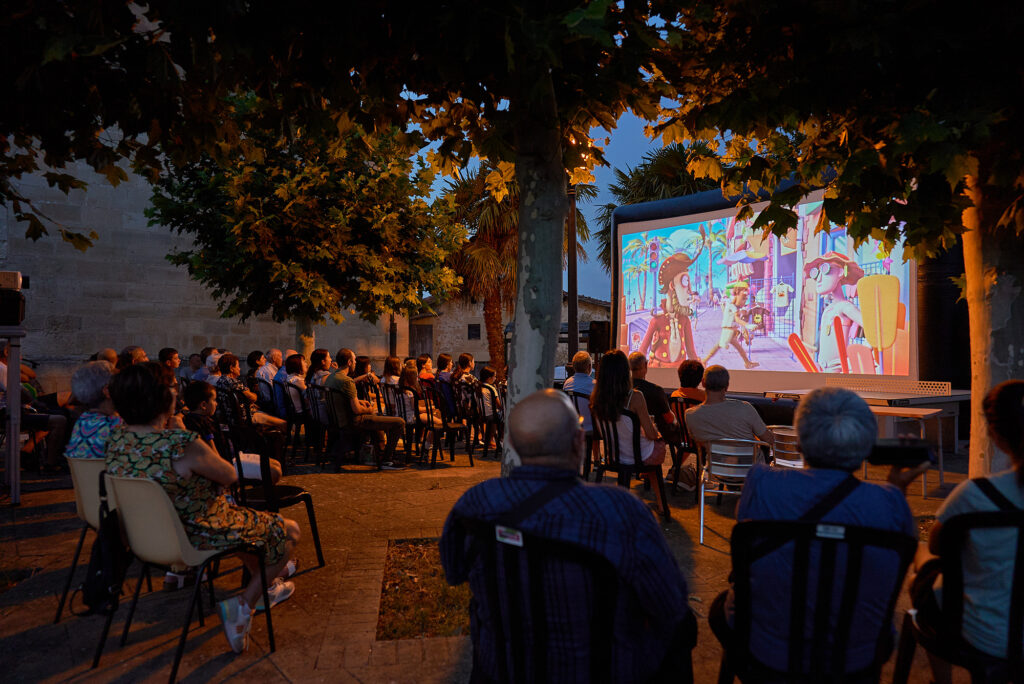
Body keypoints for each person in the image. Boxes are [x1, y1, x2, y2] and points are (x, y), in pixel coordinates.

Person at [440, 389, 695, 682]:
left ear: (510, 442)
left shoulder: (475, 504)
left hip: (503, 670)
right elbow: (669, 604)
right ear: (578, 441)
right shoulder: (621, 513)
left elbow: (454, 571)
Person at [708, 387, 926, 675]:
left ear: (799, 444)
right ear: (865, 449)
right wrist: (897, 488)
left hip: (766, 655)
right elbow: (904, 540)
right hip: (854, 661)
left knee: (718, 610)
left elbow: (746, 519)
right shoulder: (890, 503)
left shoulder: (761, 483)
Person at [105, 364, 300, 653]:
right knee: (289, 531)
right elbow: (229, 476)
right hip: (196, 533)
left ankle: (268, 581)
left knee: (245, 526)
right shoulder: (181, 443)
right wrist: (182, 432)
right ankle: (246, 604)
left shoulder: (116, 441)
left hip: (145, 538)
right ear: (162, 399)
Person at [912, 380, 1024, 683]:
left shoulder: (974, 496)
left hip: (986, 636)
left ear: (997, 437)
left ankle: (942, 680)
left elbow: (937, 545)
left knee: (923, 562)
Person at [182, 381, 282, 484]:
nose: (216, 404)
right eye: (214, 400)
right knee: (274, 472)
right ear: (203, 405)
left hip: (234, 456)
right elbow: (213, 452)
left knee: (276, 465)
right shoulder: (201, 424)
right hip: (227, 464)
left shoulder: (203, 418)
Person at [326, 348, 405, 468]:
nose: (356, 363)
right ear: (349, 362)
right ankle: (387, 460)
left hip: (338, 420)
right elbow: (357, 410)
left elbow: (345, 398)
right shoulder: (347, 381)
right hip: (353, 421)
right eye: (354, 360)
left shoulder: (331, 378)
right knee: (399, 422)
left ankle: (380, 451)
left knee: (379, 418)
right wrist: (369, 409)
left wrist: (360, 401)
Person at [0, 343, 68, 470]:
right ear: (6, 352)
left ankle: (32, 453)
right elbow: (19, 391)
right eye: (17, 352)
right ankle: (51, 464)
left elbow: (27, 379)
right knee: (59, 420)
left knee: (57, 413)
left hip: (17, 410)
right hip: (9, 414)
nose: (20, 357)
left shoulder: (6, 368)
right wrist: (35, 403)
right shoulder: (2, 369)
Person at [685, 365, 774, 453]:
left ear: (703, 382)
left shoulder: (691, 415)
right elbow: (769, 439)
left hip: (716, 466)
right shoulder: (745, 408)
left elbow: (698, 441)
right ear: (727, 386)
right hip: (750, 466)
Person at [64, 361, 121, 459]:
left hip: (83, 474)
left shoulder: (82, 421)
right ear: (107, 390)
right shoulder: (116, 424)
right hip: (106, 473)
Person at [215, 353, 287, 429]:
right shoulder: (234, 383)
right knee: (283, 423)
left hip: (229, 417)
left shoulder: (219, 381)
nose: (240, 369)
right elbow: (254, 398)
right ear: (231, 368)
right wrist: (250, 393)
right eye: (238, 366)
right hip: (245, 417)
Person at [701, 281, 759, 369]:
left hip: (731, 331)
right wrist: (747, 325)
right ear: (737, 295)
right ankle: (704, 361)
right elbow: (737, 319)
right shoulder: (732, 306)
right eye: (743, 298)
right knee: (718, 346)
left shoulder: (734, 306)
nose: (744, 301)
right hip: (728, 331)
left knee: (738, 348)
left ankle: (747, 362)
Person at [628, 351, 680, 443]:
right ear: (645, 365)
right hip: (655, 434)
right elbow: (669, 418)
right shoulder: (656, 390)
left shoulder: (623, 389)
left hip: (629, 432)